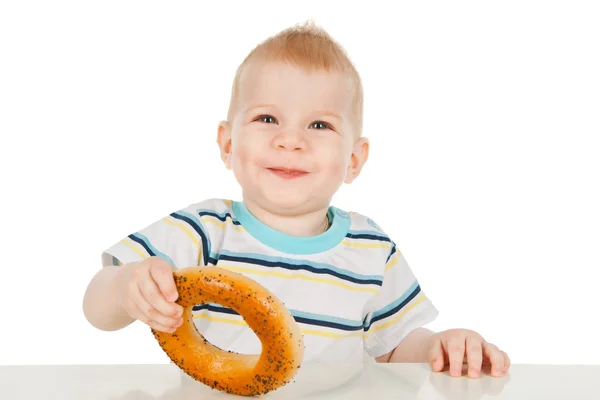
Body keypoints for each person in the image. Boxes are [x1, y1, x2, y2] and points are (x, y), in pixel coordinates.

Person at [83, 20, 510, 379]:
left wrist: (443, 345)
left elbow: (394, 347)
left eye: (320, 125)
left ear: (354, 159)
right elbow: (96, 308)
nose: (290, 140)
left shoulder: (371, 249)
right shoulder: (202, 231)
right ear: (228, 143)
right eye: (267, 118)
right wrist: (125, 288)